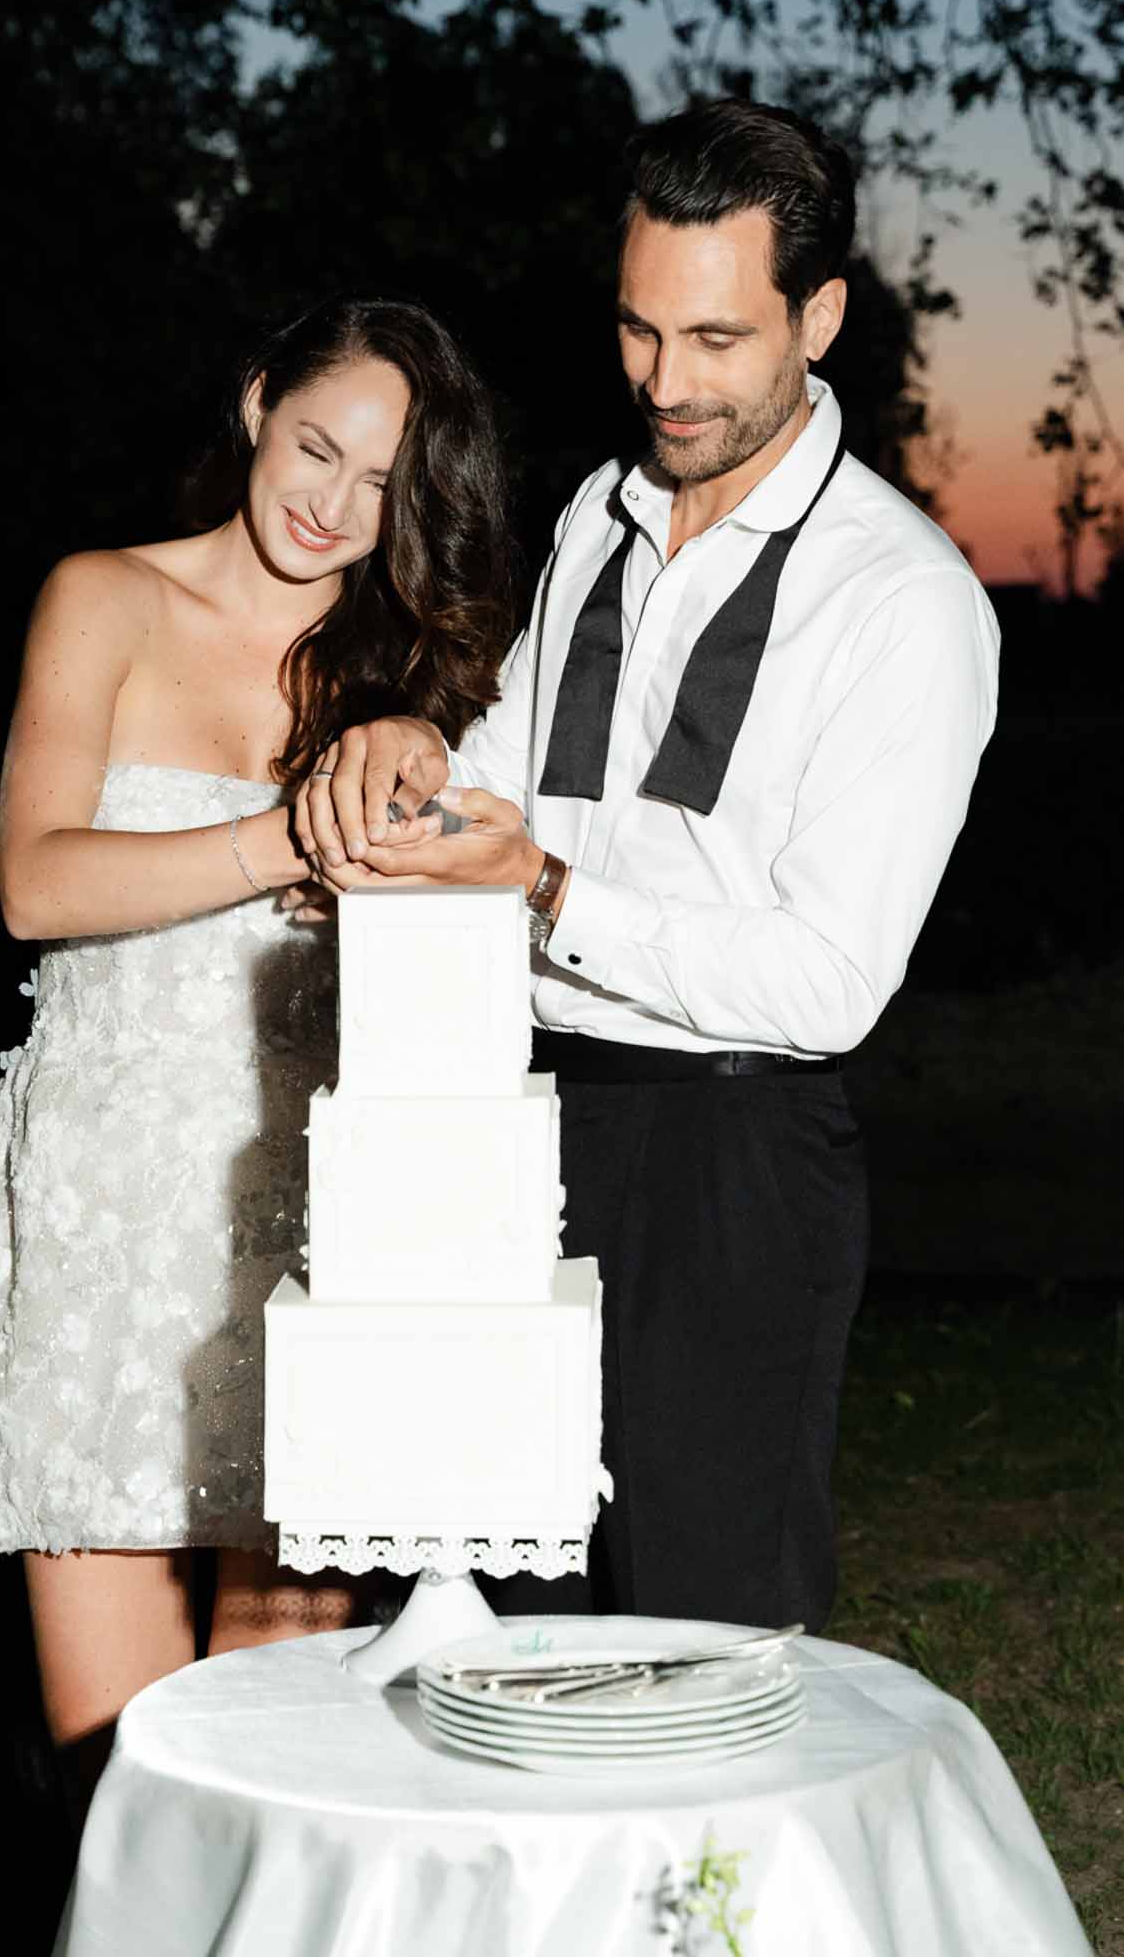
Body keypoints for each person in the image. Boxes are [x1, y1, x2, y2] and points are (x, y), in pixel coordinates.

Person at [293, 101, 1000, 1636]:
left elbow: (825, 985)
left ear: (815, 317)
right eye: (635, 331)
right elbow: (500, 769)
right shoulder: (596, 520)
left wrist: (545, 888)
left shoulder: (901, 600)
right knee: (496, 1606)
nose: (665, 385)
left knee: (700, 1628)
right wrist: (413, 745)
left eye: (715, 338)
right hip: (520, 1113)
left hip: (730, 1157)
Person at [0, 295, 515, 1803]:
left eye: (379, 483)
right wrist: (283, 836)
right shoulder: (105, 598)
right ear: (261, 401)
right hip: (97, 1206)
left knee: (275, 1766)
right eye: (314, 445)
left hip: (301, 1211)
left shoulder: (408, 671)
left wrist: (422, 780)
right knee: (114, 1774)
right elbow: (34, 881)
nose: (329, 505)